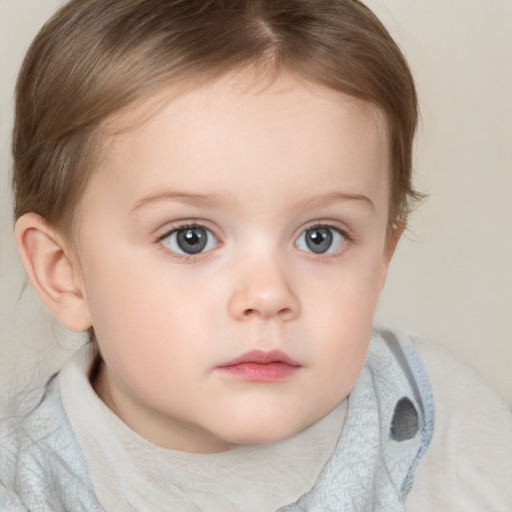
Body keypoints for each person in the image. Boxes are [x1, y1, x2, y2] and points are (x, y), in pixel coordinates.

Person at [1, 0, 511, 510]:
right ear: (64, 272)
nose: (268, 295)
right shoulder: (24, 487)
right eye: (191, 238)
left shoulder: (440, 422)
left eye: (320, 237)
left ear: (381, 258)